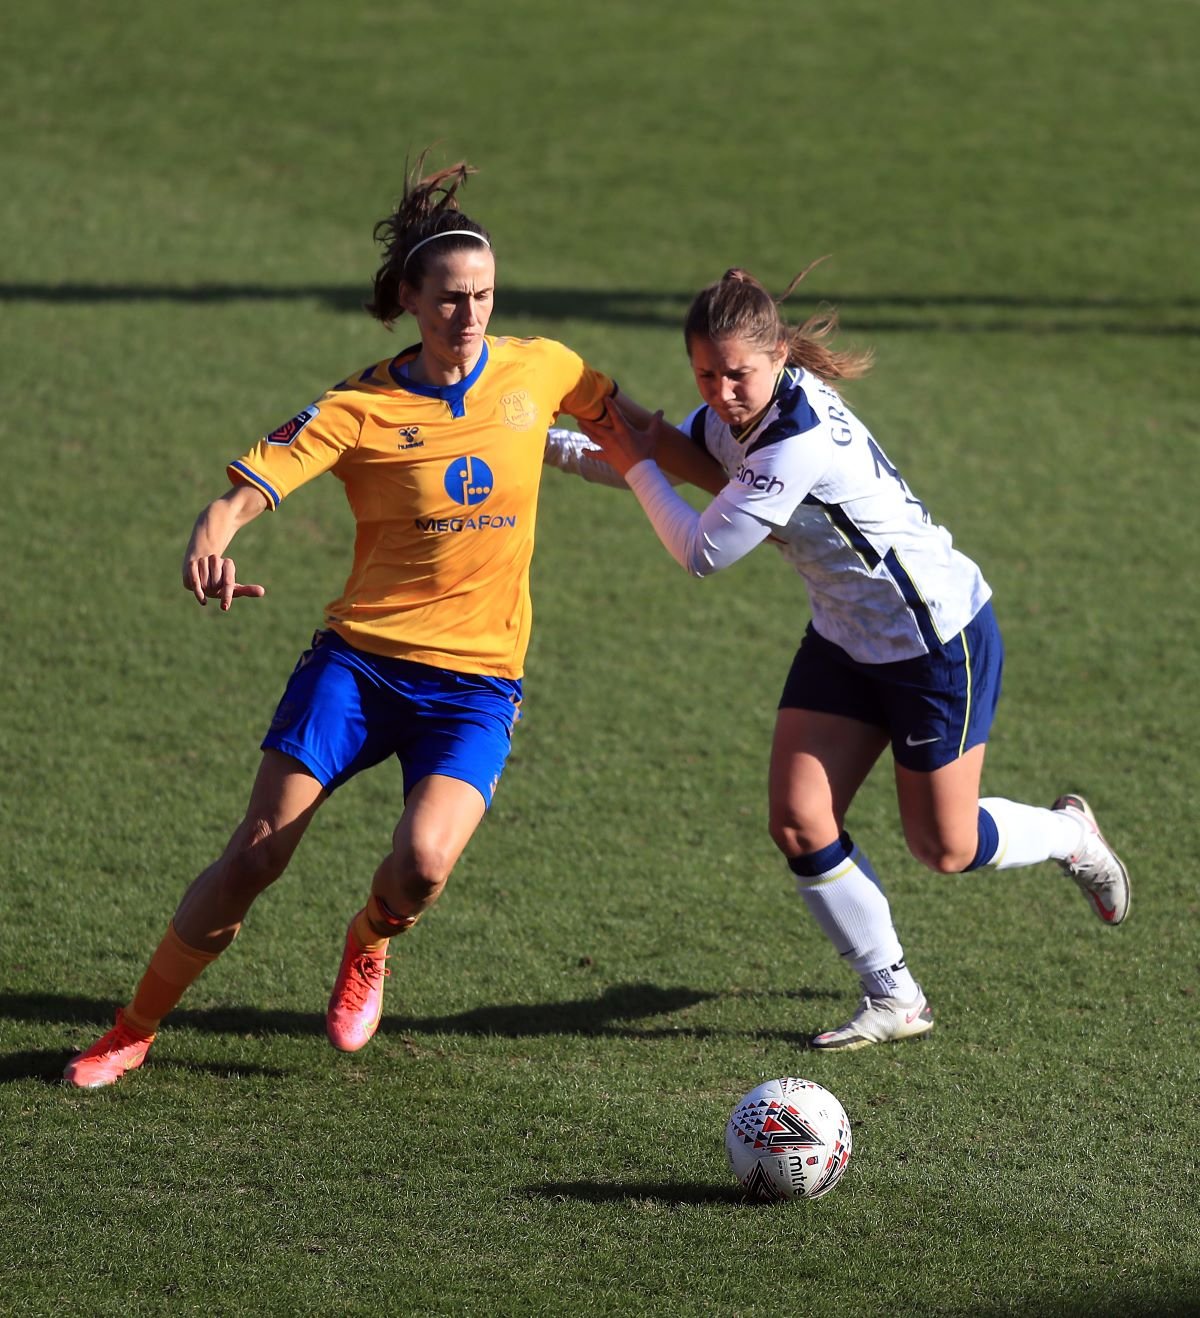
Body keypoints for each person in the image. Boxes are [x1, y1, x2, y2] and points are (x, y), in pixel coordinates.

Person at [63, 156, 715, 1089]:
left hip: (478, 686)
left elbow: (642, 436)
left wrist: (751, 492)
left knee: (420, 867)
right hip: (360, 668)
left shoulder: (546, 369)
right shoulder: (358, 406)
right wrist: (209, 542)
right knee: (255, 857)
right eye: (450, 299)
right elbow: (242, 496)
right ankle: (133, 1026)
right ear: (411, 297)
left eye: (484, 296)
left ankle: (367, 941)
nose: (470, 315)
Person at [578, 265, 1131, 1050]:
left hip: (935, 642)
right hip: (845, 639)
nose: (722, 391)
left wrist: (629, 456)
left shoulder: (796, 440)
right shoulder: (746, 419)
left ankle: (1071, 836)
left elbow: (699, 546)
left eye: (739, 374)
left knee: (945, 847)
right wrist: (539, 440)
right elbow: (662, 448)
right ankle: (894, 995)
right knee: (800, 822)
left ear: (777, 359)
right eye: (705, 374)